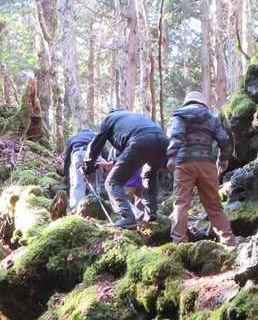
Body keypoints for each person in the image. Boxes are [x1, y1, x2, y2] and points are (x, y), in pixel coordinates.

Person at [167, 90, 238, 246]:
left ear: (187, 102)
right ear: (203, 104)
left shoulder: (180, 115)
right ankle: (229, 242)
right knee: (214, 206)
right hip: (207, 165)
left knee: (181, 203)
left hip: (184, 164)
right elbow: (224, 140)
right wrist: (223, 159)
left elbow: (176, 135)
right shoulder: (211, 118)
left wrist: (172, 156)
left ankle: (179, 242)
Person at [83, 109, 168, 230]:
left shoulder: (110, 119)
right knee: (149, 175)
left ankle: (127, 218)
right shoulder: (133, 118)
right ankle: (151, 214)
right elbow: (127, 156)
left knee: (111, 182)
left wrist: (88, 165)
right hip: (163, 140)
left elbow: (96, 145)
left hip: (141, 140)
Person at [62, 127, 96, 210]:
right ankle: (96, 206)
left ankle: (76, 208)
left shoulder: (74, 137)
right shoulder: (94, 135)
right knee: (95, 183)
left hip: (78, 154)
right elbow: (104, 151)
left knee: (78, 183)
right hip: (94, 155)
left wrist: (66, 175)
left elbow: (67, 159)